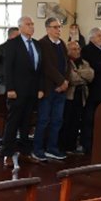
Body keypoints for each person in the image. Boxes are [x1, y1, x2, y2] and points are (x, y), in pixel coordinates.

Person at [2, 16, 42, 167]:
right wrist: (10, 88)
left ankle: (25, 152)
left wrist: (40, 88)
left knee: (27, 123)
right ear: (20, 27)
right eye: (28, 24)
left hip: (32, 91)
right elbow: (8, 68)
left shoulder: (37, 45)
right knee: (13, 122)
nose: (31, 27)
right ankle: (7, 153)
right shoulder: (13, 44)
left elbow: (39, 69)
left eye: (32, 24)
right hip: (17, 91)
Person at [33, 17, 70, 161]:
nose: (58, 30)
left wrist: (65, 81)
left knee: (57, 120)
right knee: (43, 120)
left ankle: (52, 148)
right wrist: (61, 81)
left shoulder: (62, 44)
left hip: (61, 88)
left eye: (59, 27)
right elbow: (47, 66)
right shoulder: (42, 43)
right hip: (48, 88)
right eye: (55, 27)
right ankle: (37, 149)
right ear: (47, 29)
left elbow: (67, 65)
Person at [58, 40, 94, 154]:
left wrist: (78, 73)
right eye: (74, 49)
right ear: (68, 51)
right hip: (69, 96)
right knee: (66, 121)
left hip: (81, 96)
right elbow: (72, 79)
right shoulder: (65, 62)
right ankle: (63, 146)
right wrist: (81, 76)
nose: (77, 51)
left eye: (78, 49)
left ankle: (72, 146)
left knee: (76, 122)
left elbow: (91, 76)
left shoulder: (84, 62)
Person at [0, 26, 19, 94]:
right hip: (4, 82)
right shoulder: (1, 48)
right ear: (10, 36)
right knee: (2, 101)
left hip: (18, 83)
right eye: (16, 36)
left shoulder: (21, 49)